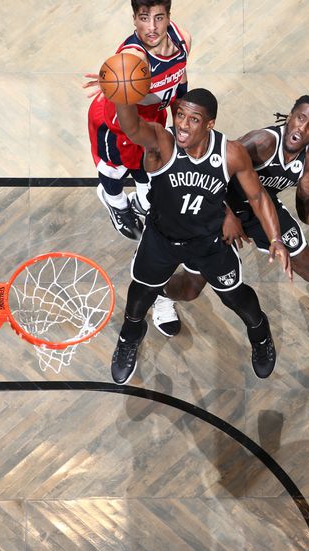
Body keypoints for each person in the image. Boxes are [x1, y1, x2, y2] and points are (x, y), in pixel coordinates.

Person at [109, 87, 292, 385]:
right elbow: (131, 127)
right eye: (180, 115)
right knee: (140, 295)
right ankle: (130, 336)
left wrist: (276, 239)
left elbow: (258, 196)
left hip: (209, 243)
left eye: (194, 119)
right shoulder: (162, 142)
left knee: (235, 297)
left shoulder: (231, 153)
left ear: (210, 124)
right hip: (162, 239)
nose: (182, 124)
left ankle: (260, 334)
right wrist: (120, 90)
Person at [164, 95, 309, 305]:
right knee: (190, 287)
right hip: (217, 205)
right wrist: (227, 215)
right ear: (289, 118)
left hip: (263, 209)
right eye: (300, 118)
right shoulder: (262, 142)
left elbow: (305, 199)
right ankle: (161, 293)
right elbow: (208, 176)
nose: (302, 128)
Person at [85, 0, 191, 338]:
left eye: (158, 17)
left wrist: (179, 120)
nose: (152, 27)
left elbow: (181, 79)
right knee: (113, 172)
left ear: (168, 18)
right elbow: (130, 108)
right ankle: (114, 203)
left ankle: (143, 200)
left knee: (150, 175)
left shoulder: (183, 39)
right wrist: (114, 83)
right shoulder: (133, 59)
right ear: (134, 19)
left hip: (152, 118)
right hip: (117, 123)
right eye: (143, 19)